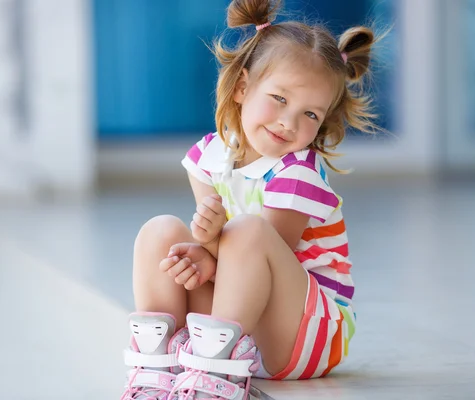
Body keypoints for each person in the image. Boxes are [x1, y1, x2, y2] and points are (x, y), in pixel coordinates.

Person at [121, 0, 379, 398]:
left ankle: (217, 376)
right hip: (241, 325)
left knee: (248, 232)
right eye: (279, 98)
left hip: (304, 334)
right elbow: (216, 248)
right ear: (242, 87)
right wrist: (202, 248)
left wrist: (208, 248)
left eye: (310, 114)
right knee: (160, 233)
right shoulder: (208, 156)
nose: (288, 122)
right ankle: (158, 367)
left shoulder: (298, 174)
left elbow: (267, 252)